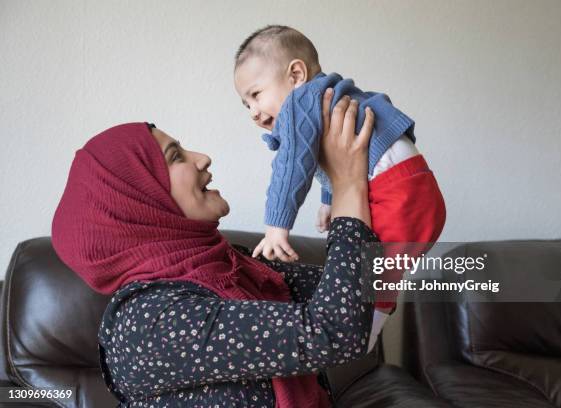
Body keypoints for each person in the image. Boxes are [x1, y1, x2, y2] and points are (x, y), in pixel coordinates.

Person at [51, 93, 378, 407]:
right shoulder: (150, 322)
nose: (201, 158)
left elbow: (370, 285)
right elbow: (333, 332)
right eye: (175, 156)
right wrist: (347, 184)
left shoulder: (231, 270)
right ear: (137, 203)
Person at [234, 25, 447, 348]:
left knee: (368, 277)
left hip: (396, 191)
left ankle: (364, 335)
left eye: (255, 95)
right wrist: (329, 199)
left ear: (295, 74)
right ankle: (366, 329)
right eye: (245, 104)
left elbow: (293, 163)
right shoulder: (329, 96)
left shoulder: (300, 99)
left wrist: (276, 226)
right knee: (377, 271)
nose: (252, 112)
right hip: (412, 185)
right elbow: (335, 156)